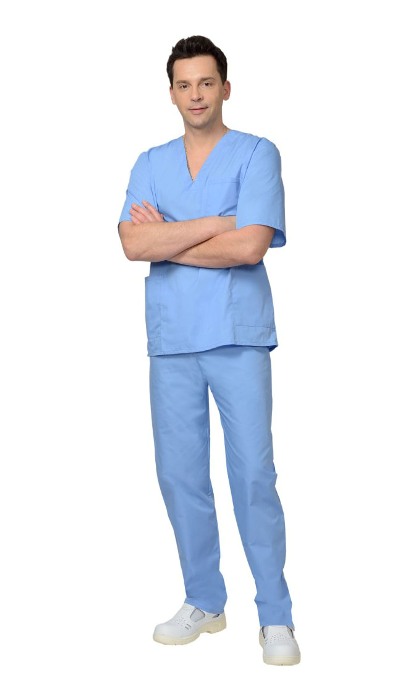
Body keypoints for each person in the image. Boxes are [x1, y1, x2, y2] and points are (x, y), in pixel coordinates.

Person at [117, 35, 301, 666]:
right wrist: (218, 224)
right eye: (183, 84)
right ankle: (204, 600)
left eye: (205, 82)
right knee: (179, 475)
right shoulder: (150, 163)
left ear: (225, 87)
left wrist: (168, 236)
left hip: (236, 336)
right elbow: (132, 244)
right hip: (172, 340)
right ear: (171, 93)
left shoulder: (257, 153)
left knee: (252, 475)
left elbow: (250, 247)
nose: (195, 94)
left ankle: (275, 615)